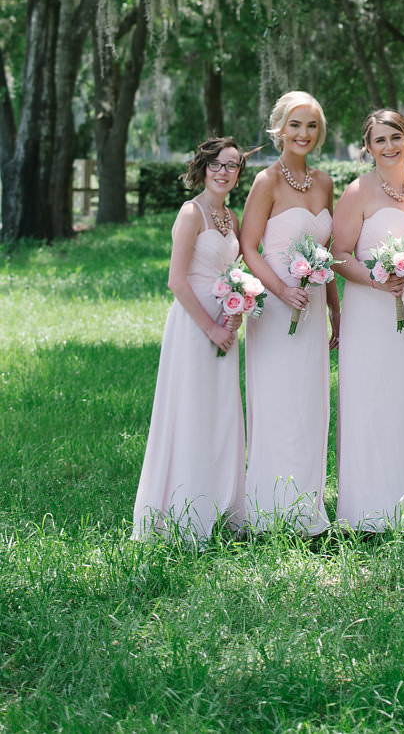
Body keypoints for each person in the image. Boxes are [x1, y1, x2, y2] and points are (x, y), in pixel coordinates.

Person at [132, 137, 247, 541]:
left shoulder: (230, 218)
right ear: (203, 167)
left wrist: (234, 313)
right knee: (190, 410)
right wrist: (211, 327)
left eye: (232, 165)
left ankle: (217, 504)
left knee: (221, 411)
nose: (223, 171)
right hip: (194, 323)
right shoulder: (191, 212)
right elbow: (176, 281)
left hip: (224, 322)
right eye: (217, 163)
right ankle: (182, 512)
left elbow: (235, 271)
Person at [241, 91, 339, 536]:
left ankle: (306, 507)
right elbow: (248, 246)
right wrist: (281, 290)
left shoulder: (323, 183)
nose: (303, 134)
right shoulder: (266, 182)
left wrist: (334, 307)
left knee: (309, 403)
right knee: (279, 402)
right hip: (277, 306)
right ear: (279, 128)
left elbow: (328, 251)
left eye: (312, 126)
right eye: (296, 125)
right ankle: (269, 509)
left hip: (314, 305)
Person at [332, 109, 404, 530]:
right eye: (379, 140)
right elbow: (339, 257)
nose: (388, 146)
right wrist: (376, 279)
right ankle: (368, 509)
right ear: (367, 148)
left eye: (395, 137)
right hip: (371, 313)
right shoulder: (357, 192)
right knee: (373, 399)